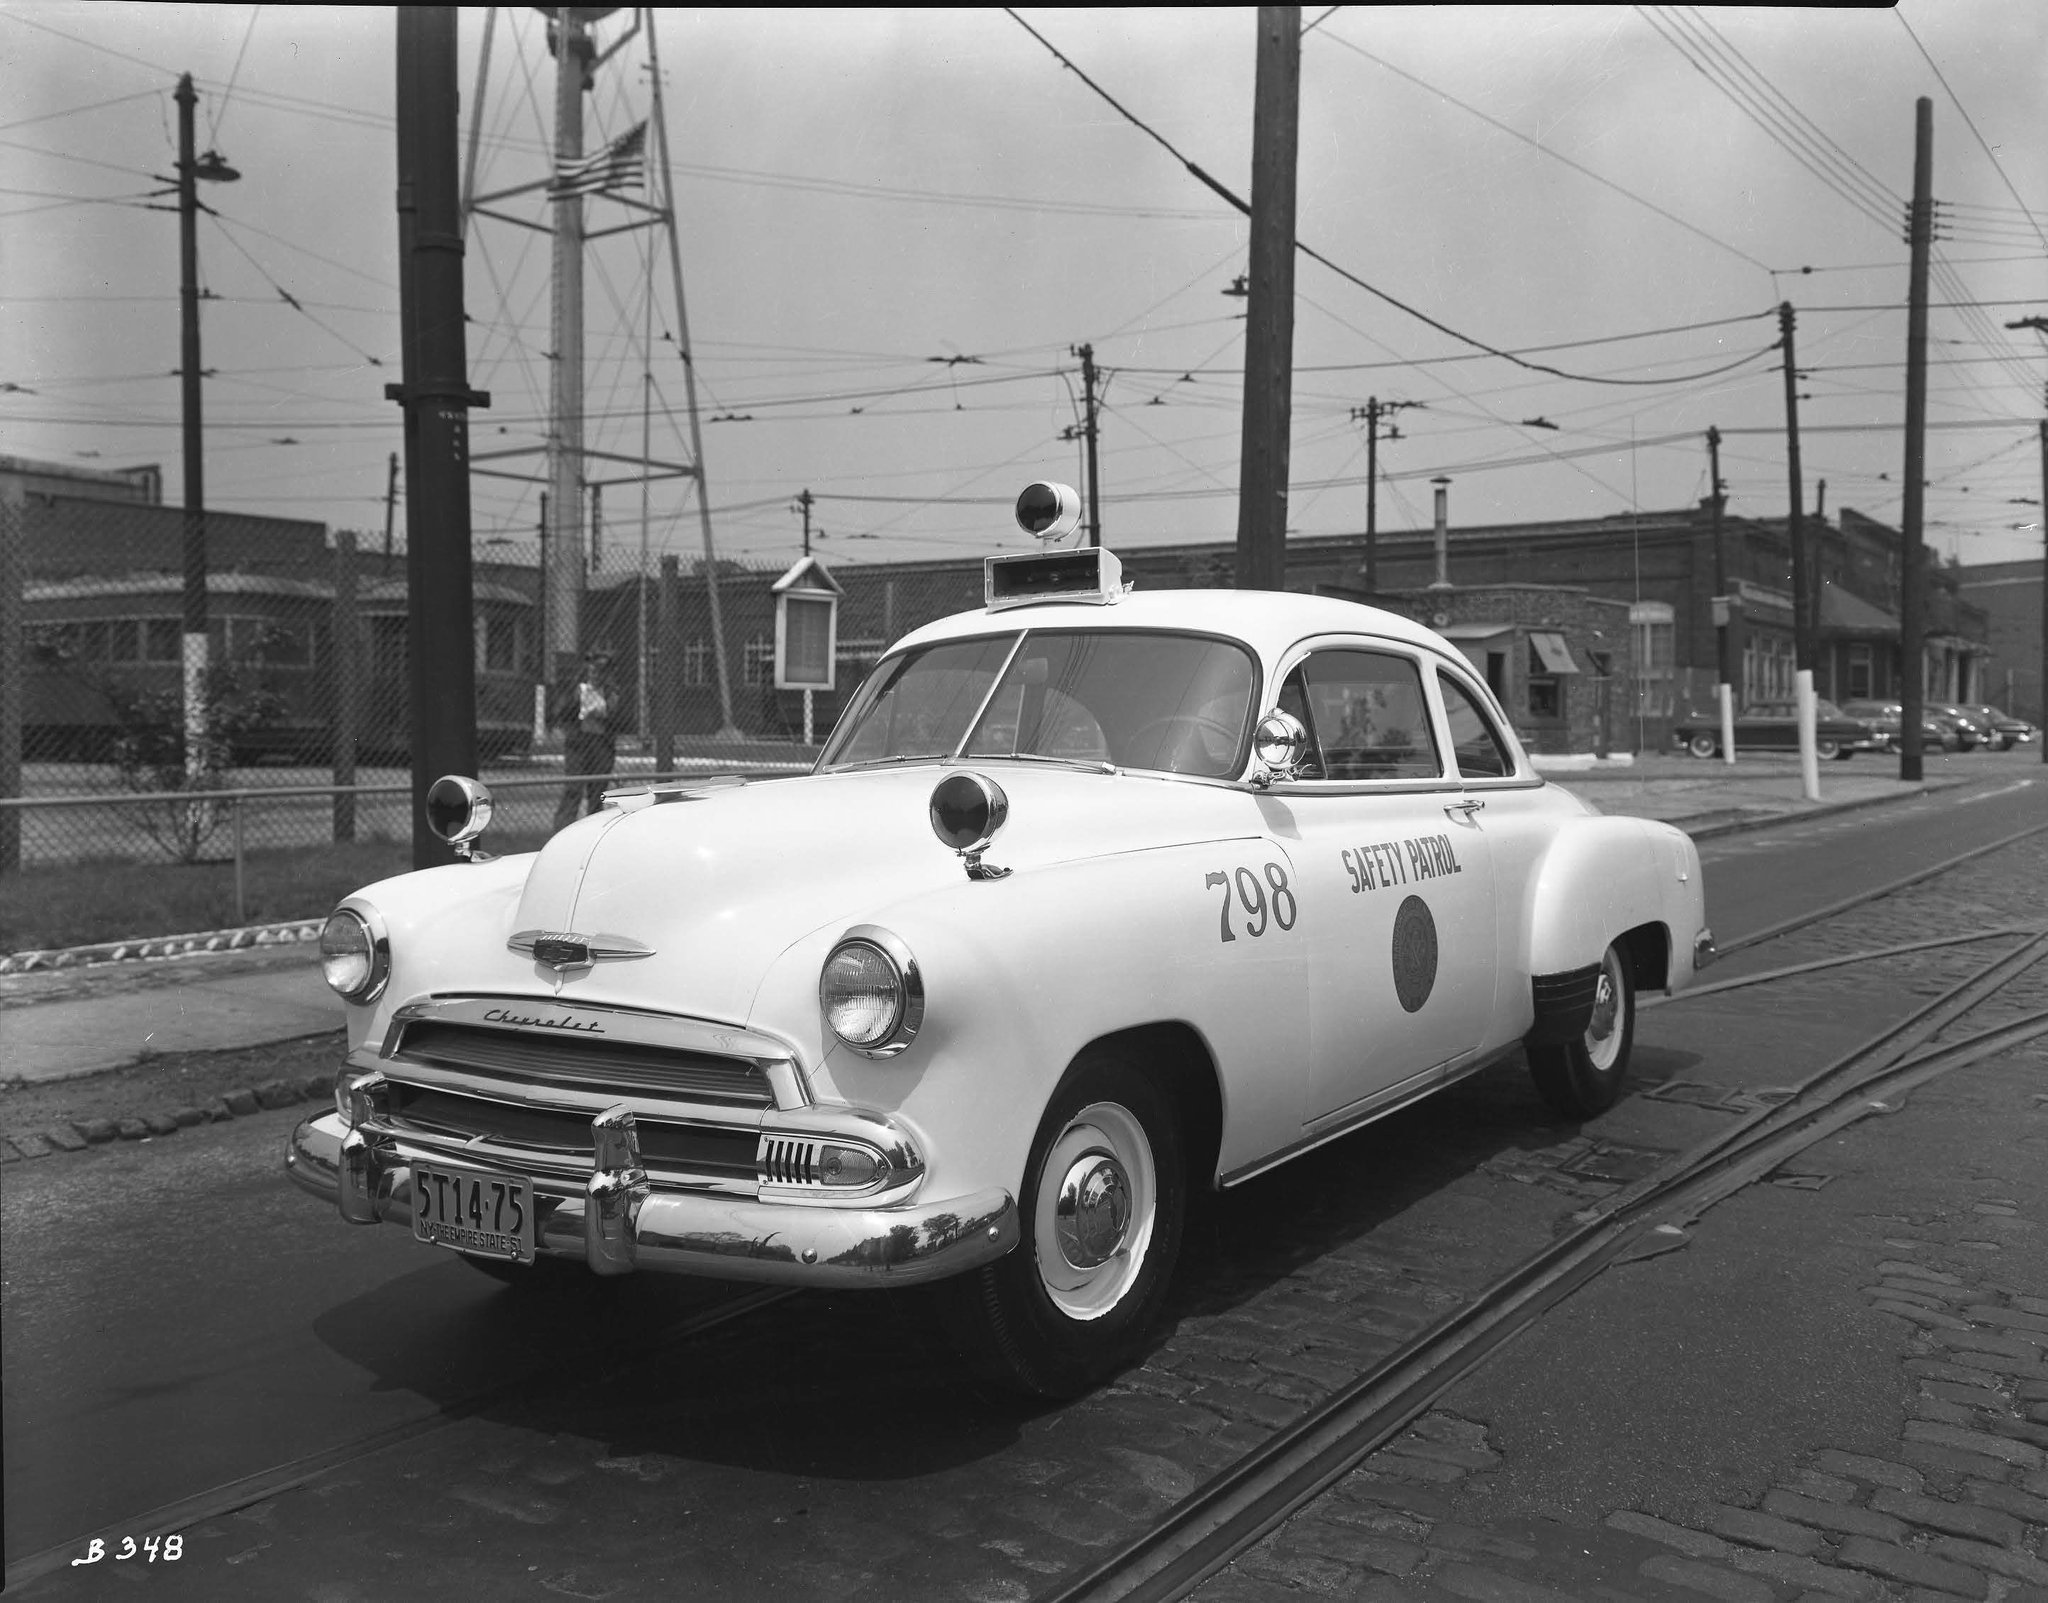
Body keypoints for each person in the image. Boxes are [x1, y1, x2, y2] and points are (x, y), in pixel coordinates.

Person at [552, 649, 619, 829]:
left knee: (597, 790)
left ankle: (593, 830)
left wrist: (607, 711)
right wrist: (576, 703)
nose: (596, 675)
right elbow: (561, 713)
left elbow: (623, 720)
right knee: (573, 789)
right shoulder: (576, 689)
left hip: (601, 745)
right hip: (578, 744)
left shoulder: (611, 693)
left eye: (600, 672)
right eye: (593, 671)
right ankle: (562, 829)